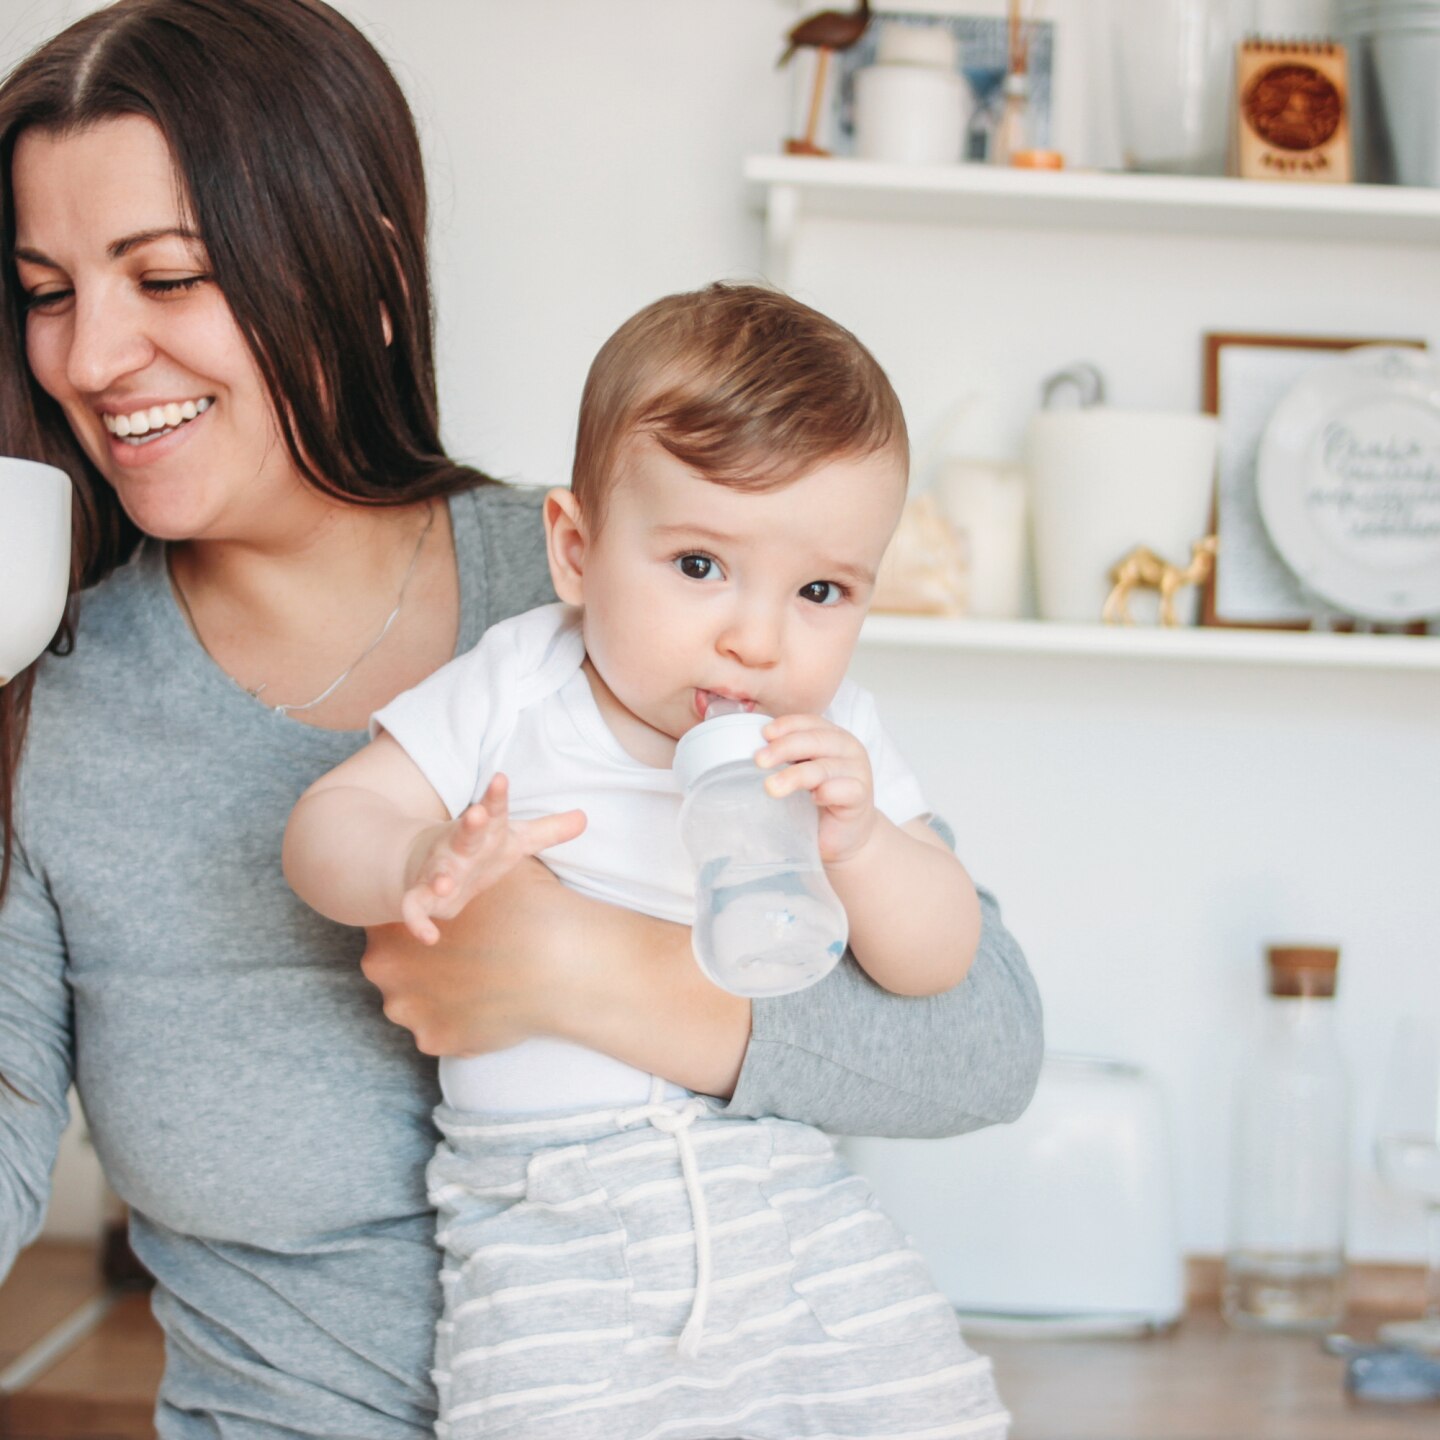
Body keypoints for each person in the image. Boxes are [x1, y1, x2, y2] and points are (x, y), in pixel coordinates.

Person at [0, 2, 1041, 1436]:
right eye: (45, 290)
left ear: (361, 268)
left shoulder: (659, 590)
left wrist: (571, 965)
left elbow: (981, 1044)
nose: (94, 356)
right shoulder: (49, 705)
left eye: (166, 276)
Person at [284, 283, 1008, 1438]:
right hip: (549, 1227)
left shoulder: (833, 742)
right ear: (576, 551)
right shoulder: (520, 683)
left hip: (785, 1206)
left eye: (820, 591)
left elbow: (941, 959)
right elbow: (326, 825)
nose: (757, 639)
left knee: (932, 1408)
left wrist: (864, 843)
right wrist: (421, 852)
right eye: (701, 566)